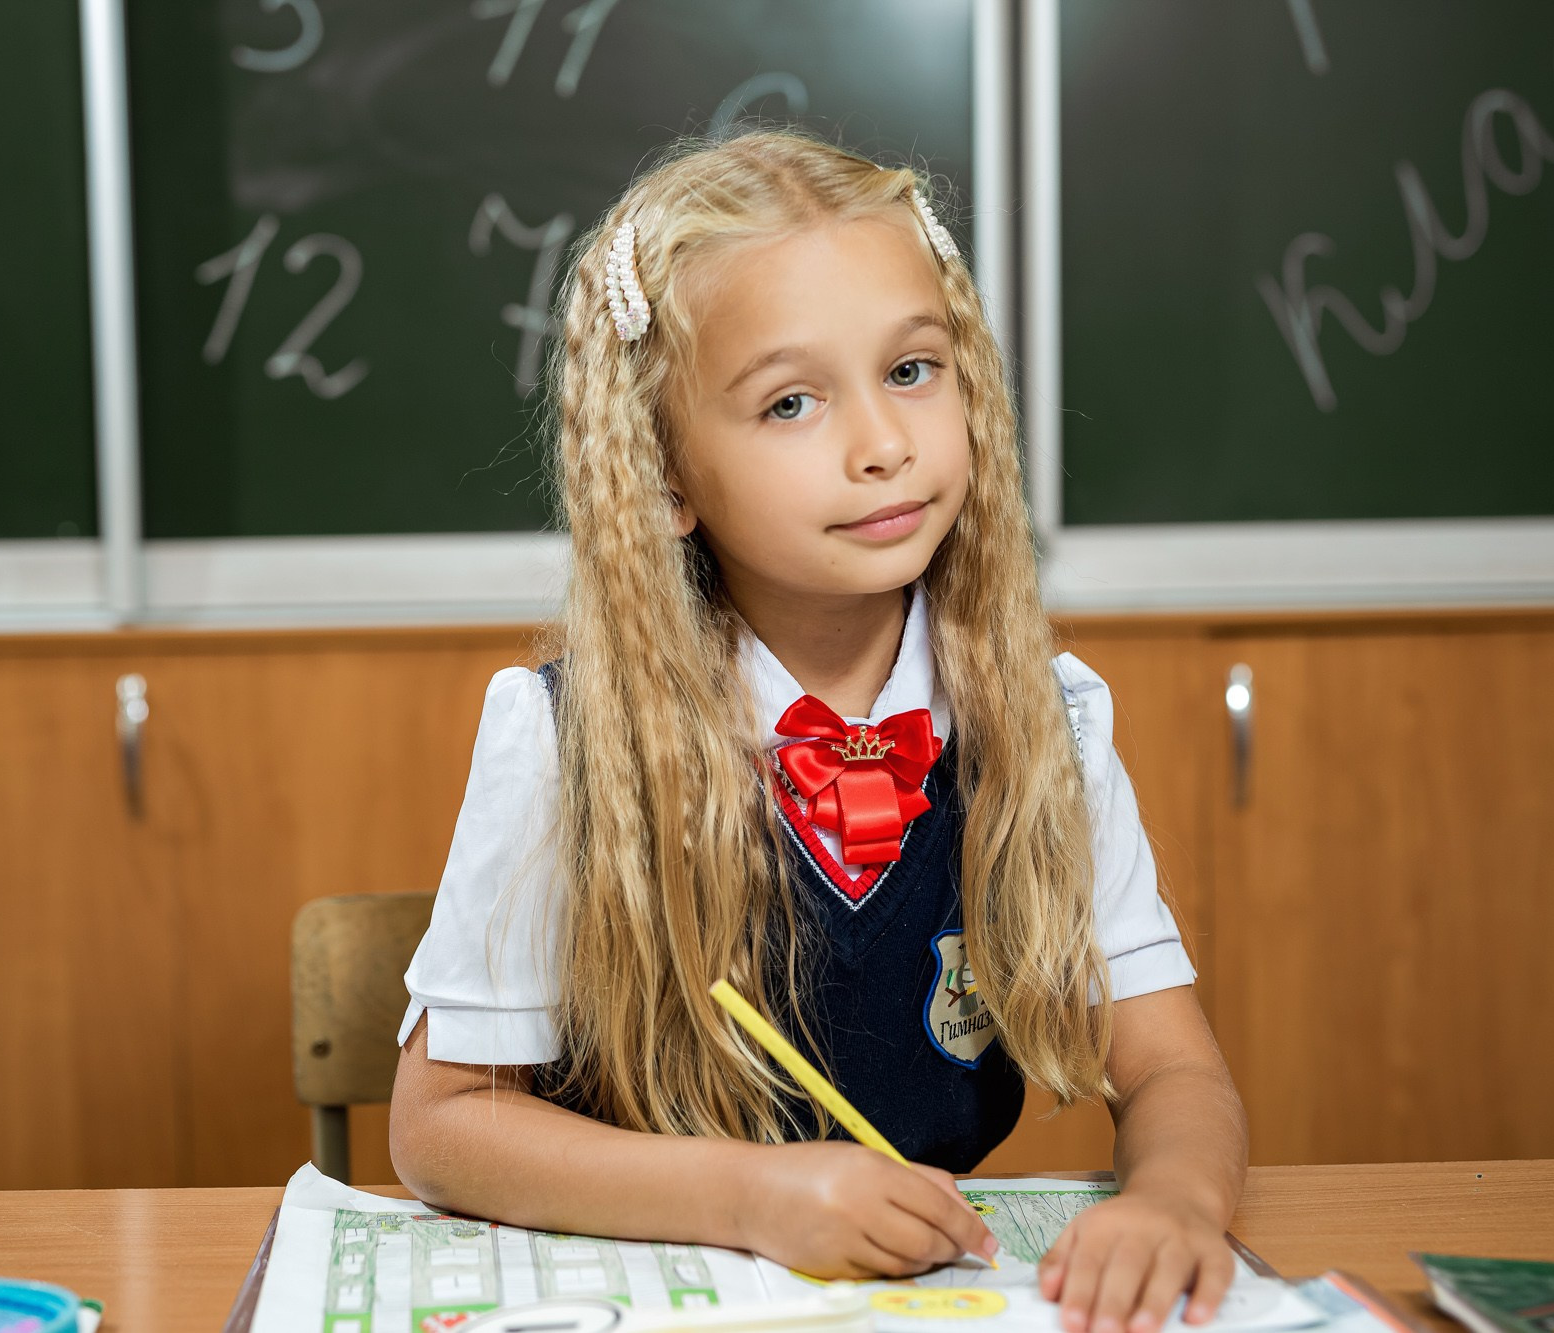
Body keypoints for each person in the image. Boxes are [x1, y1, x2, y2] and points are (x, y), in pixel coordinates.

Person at [390, 130, 1247, 1333]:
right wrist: (753, 1193)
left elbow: (1170, 1068)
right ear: (665, 474)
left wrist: (1172, 1199)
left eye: (912, 371)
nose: (882, 444)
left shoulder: (1045, 719)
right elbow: (440, 1128)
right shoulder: (561, 738)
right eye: (790, 401)